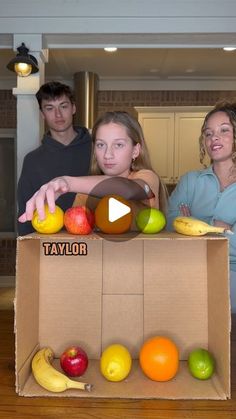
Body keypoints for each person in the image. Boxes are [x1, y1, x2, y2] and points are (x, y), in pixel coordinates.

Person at [18, 111, 168, 225]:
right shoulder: (84, 195)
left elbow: (128, 190)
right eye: (101, 145)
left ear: (135, 150)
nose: (108, 154)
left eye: (119, 145)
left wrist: (68, 182)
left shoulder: (147, 178)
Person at [166, 101, 236, 312]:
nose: (214, 138)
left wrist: (194, 224)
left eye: (224, 130)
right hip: (189, 267)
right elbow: (170, 224)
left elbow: (183, 224)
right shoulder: (190, 181)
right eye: (208, 133)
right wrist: (218, 226)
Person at [17, 81, 92, 236]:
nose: (58, 114)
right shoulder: (32, 160)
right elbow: (25, 212)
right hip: (51, 246)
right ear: (42, 114)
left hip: (97, 241)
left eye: (63, 106)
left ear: (73, 108)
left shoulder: (97, 150)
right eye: (50, 108)